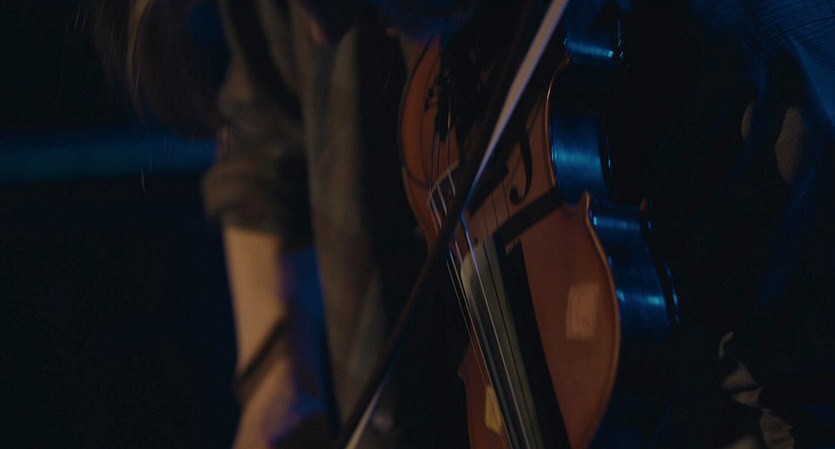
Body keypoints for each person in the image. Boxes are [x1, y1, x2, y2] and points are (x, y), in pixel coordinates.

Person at [91, 0, 835, 447]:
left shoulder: (735, 56)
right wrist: (277, 375)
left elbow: (802, 409)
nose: (322, 31)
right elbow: (265, 129)